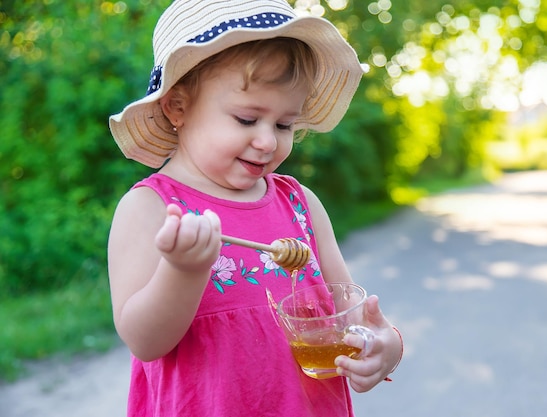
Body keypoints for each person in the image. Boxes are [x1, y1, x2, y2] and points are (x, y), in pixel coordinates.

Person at [107, 0, 403, 415]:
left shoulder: (300, 205)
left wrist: (383, 344)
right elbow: (145, 340)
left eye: (284, 124)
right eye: (247, 119)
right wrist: (183, 270)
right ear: (178, 106)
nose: (268, 141)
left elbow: (348, 315)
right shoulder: (150, 209)